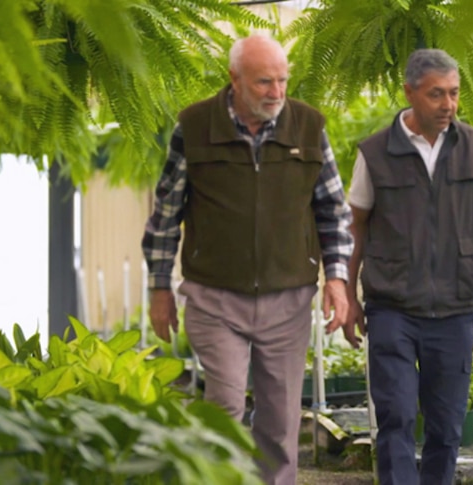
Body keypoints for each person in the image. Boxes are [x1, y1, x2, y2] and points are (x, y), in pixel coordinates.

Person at [141, 33, 353, 485]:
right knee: (225, 406)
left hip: (288, 298)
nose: (276, 93)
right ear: (234, 79)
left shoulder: (309, 127)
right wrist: (159, 288)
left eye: (282, 81)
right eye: (263, 83)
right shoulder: (194, 127)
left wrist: (337, 278)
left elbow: (333, 211)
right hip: (215, 296)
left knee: (279, 420)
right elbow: (166, 213)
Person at [344, 48, 473, 485]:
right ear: (409, 92)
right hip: (392, 307)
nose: (448, 105)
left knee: (445, 427)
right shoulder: (374, 153)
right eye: (436, 94)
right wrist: (346, 293)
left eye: (455, 94)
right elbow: (356, 224)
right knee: (397, 415)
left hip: (455, 307)